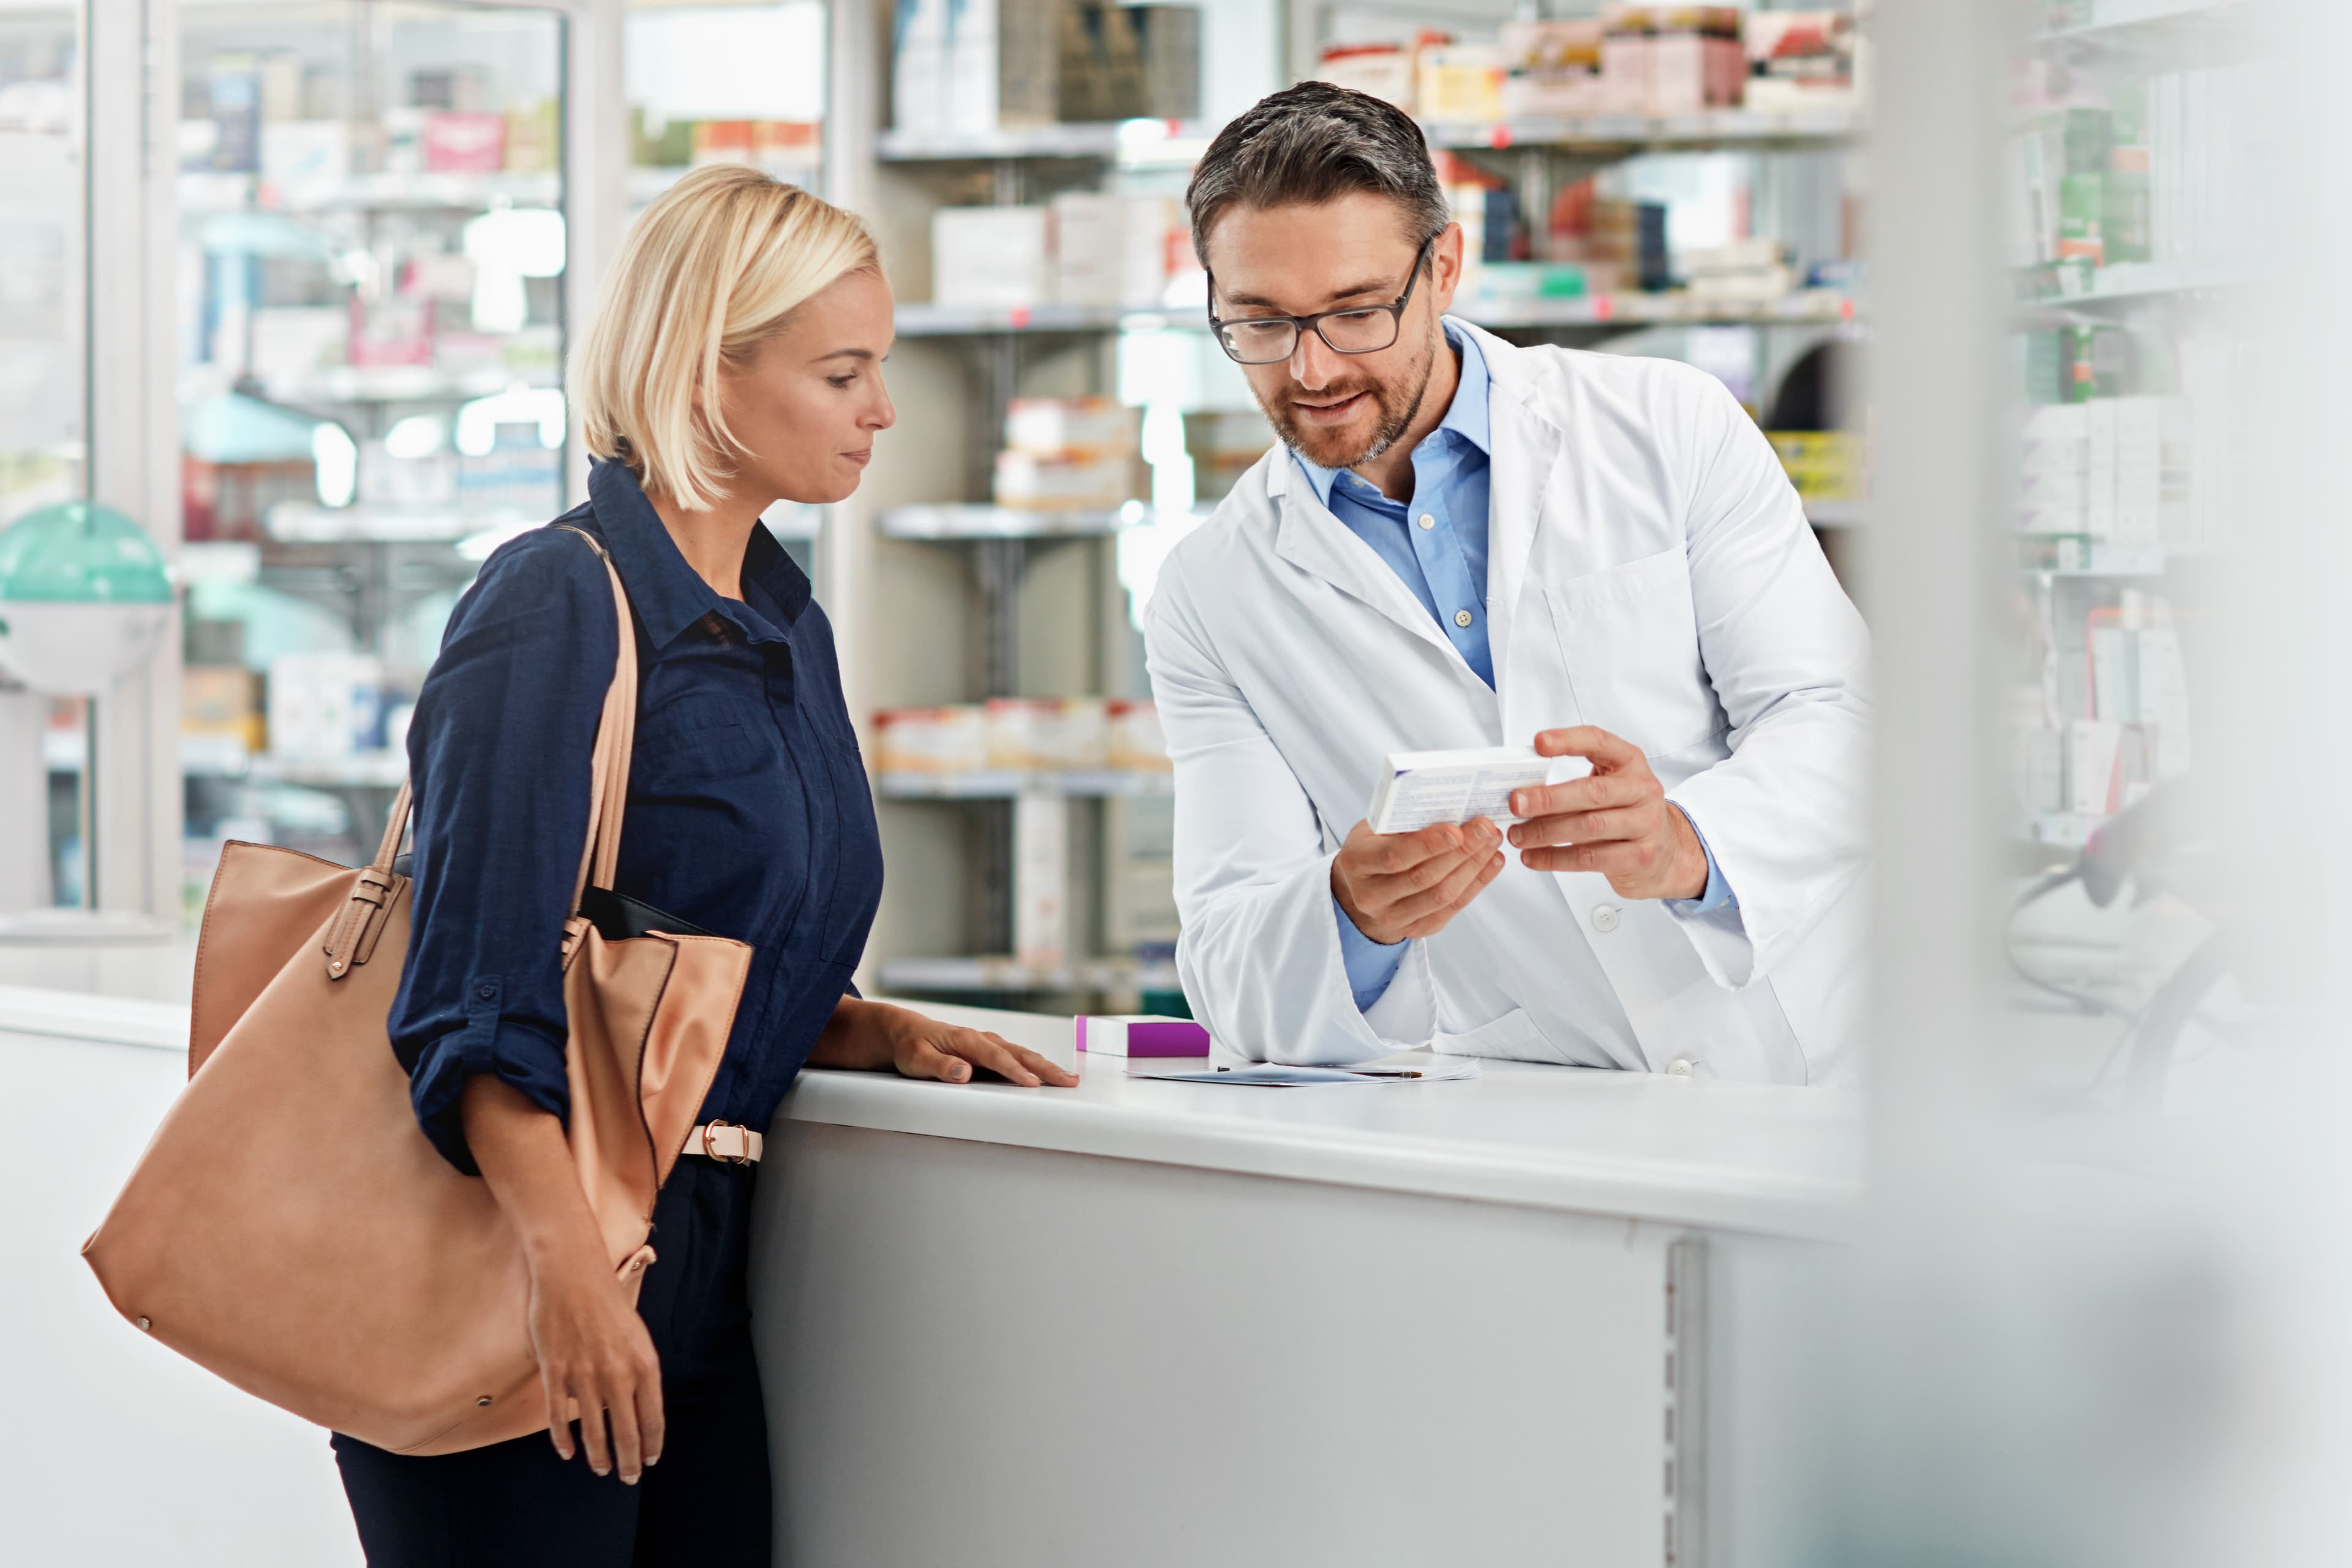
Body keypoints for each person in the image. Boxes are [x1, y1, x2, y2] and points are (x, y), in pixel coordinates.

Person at [331, 165, 1076, 1566]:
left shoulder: (784, 618)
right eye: (842, 370)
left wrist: (862, 1022)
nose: (883, 409)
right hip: (530, 1263)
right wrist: (568, 1274)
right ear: (706, 372)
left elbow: (688, 939)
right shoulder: (555, 596)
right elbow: (473, 997)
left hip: (707, 1268)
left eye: (883, 368)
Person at [1144, 83, 1871, 1084]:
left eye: (1356, 312)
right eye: (1259, 323)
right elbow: (1230, 967)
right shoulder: (1210, 593)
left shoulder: (1669, 424)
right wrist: (1354, 916)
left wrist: (1688, 845)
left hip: (1821, 1070)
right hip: (1544, 1114)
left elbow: (1841, 714)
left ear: (1443, 266)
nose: (1310, 370)